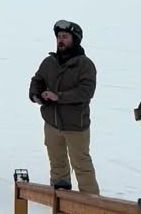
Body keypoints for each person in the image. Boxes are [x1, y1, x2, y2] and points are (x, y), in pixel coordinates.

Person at [29, 19, 100, 194]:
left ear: (75, 39)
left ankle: (92, 201)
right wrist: (35, 95)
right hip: (52, 123)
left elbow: (86, 92)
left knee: (81, 164)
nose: (60, 40)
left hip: (76, 125)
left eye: (65, 37)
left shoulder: (85, 64)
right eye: (59, 37)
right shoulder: (49, 62)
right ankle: (61, 195)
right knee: (57, 162)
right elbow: (37, 80)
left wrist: (58, 97)